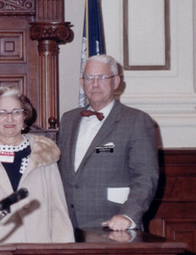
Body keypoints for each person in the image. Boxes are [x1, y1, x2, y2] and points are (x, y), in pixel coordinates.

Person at [0, 86, 73, 243]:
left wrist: (62, 254)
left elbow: (58, 210)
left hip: (39, 250)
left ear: (24, 116)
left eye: (16, 112)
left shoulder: (44, 153)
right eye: (2, 113)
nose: (9, 119)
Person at [57, 54, 159, 231]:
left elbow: (145, 177)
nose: (95, 84)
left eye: (102, 77)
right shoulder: (68, 119)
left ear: (116, 81)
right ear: (82, 83)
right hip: (67, 226)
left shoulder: (136, 120)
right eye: (89, 78)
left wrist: (129, 216)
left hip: (114, 226)